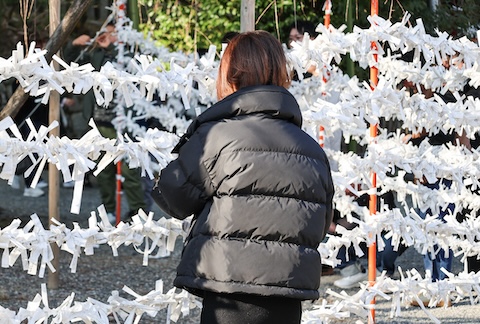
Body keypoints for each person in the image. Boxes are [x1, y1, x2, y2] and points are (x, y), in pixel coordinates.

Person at [151, 30, 334, 324]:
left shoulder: (217, 136)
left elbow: (172, 196)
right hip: (288, 293)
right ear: (280, 74)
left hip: (228, 291)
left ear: (231, 76)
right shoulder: (311, 149)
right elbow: (319, 223)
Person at [65, 23, 146, 223]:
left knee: (130, 171)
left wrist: (112, 46)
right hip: (100, 124)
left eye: (113, 32)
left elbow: (128, 66)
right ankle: (109, 210)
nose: (108, 36)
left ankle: (138, 212)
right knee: (104, 171)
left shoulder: (128, 54)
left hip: (124, 125)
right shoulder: (96, 56)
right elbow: (72, 62)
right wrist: (74, 45)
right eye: (105, 33)